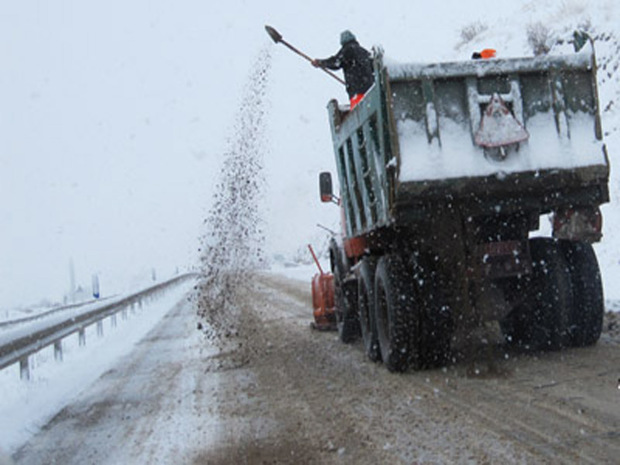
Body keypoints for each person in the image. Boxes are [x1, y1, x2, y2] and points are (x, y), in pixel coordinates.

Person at [311, 30, 374, 109]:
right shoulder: (365, 53)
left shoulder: (347, 50)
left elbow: (336, 62)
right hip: (372, 92)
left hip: (357, 93)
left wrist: (321, 63)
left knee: (360, 111)